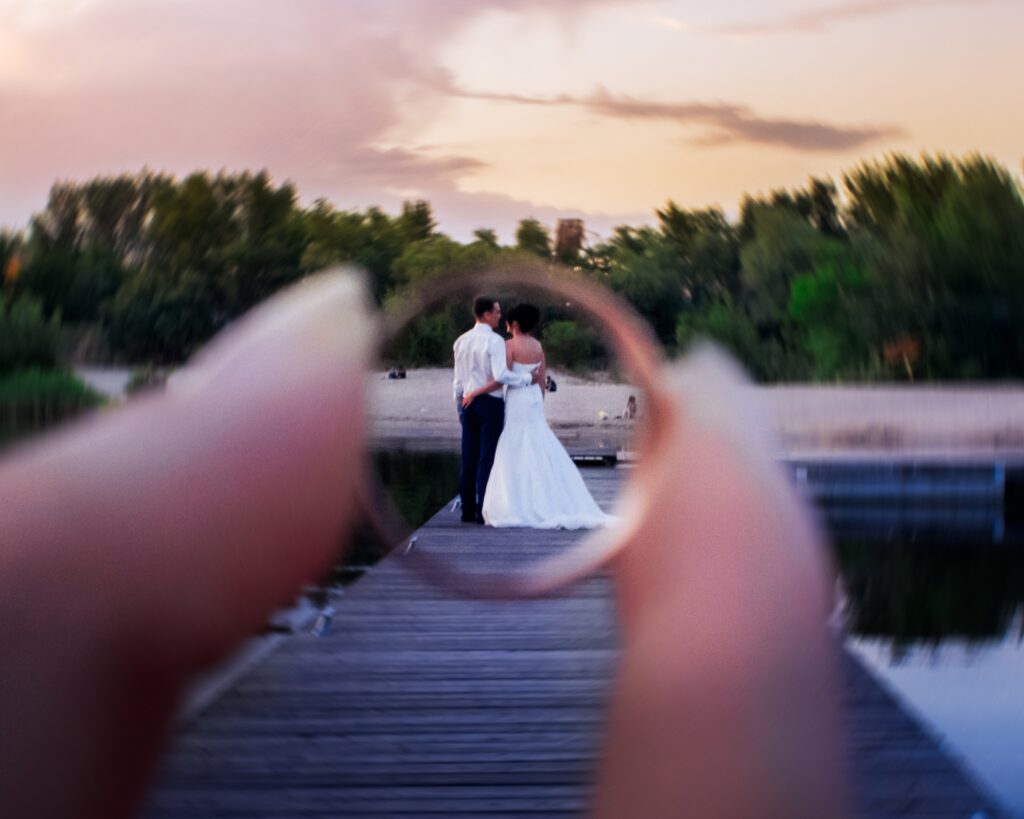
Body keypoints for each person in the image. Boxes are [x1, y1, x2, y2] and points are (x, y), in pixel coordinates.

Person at [0, 272, 845, 819]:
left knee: (507, 474)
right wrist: (519, 380)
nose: (512, 328)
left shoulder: (500, 344)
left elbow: (512, 379)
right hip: (514, 411)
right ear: (515, 322)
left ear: (504, 320)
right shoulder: (531, 349)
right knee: (517, 470)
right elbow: (539, 381)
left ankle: (486, 513)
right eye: (511, 323)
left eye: (510, 322)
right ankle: (488, 511)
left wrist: (495, 382)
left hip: (499, 409)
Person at [461, 303, 615, 529]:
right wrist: (539, 400)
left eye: (507, 321)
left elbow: (501, 377)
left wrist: (475, 391)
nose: (504, 323)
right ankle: (545, 496)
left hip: (516, 399)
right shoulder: (537, 346)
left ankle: (516, 501)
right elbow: (542, 379)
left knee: (515, 445)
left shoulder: (509, 345)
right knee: (536, 442)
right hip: (532, 399)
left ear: (514, 324)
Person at [452, 295, 541, 524]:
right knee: (486, 457)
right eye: (497, 311)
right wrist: (526, 378)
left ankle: (467, 511)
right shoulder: (494, 341)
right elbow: (500, 375)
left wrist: (459, 407)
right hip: (489, 402)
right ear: (486, 314)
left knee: (469, 456)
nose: (500, 316)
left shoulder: (460, 341)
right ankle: (483, 509)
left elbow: (457, 381)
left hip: (467, 402)